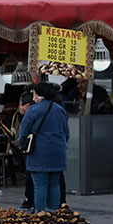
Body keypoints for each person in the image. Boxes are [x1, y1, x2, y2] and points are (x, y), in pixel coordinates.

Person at [20, 82, 70, 213]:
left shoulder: (34, 109)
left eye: (33, 93)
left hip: (39, 152)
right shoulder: (60, 109)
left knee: (40, 184)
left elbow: (23, 130)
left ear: (37, 94)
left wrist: (21, 142)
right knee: (54, 183)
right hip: (58, 151)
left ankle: (40, 213)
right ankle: (54, 211)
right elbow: (66, 132)